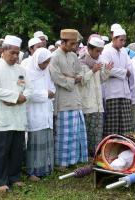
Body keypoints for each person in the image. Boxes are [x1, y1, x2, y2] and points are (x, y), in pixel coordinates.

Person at [0, 35, 32, 192]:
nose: (15, 56)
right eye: (12, 52)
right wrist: (14, 97)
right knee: (1, 150)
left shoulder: (22, 70)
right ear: (3, 51)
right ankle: (0, 180)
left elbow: (29, 89)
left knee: (16, 149)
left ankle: (15, 177)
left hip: (18, 115)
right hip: (2, 116)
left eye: (17, 53)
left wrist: (23, 97)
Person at [50, 29, 88, 170]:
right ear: (62, 42)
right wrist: (72, 79)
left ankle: (73, 159)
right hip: (62, 100)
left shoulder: (73, 55)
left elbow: (81, 72)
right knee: (64, 135)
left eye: (75, 44)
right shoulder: (54, 57)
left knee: (75, 133)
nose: (74, 47)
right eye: (72, 44)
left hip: (75, 99)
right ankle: (62, 163)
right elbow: (56, 77)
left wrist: (71, 77)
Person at [79, 36, 113, 157]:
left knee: (97, 132)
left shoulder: (99, 62)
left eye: (101, 51)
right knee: (88, 132)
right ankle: (85, 157)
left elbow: (102, 80)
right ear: (89, 48)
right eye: (97, 51)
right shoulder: (81, 61)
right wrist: (92, 71)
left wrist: (107, 71)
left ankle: (95, 156)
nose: (99, 54)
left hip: (98, 103)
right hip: (87, 104)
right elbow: (81, 81)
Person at [26, 48, 55, 181]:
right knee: (36, 142)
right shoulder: (27, 73)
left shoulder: (46, 72)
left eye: (47, 62)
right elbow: (29, 94)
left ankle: (46, 168)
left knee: (47, 140)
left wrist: (51, 93)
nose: (45, 65)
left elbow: (52, 87)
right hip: (35, 113)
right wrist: (45, 94)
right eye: (44, 62)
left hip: (46, 110)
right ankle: (33, 171)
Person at [101, 28, 135, 135]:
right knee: (112, 126)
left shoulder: (124, 51)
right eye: (121, 40)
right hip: (112, 94)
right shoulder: (106, 50)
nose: (123, 43)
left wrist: (120, 73)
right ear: (114, 38)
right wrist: (123, 73)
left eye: (125, 40)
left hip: (125, 93)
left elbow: (130, 70)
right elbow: (107, 70)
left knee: (126, 126)